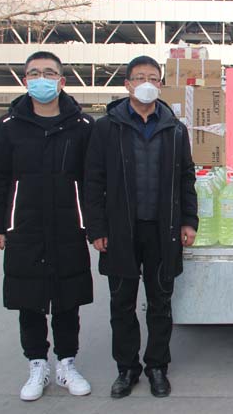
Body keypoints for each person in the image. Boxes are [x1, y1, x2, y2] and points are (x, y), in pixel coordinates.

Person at [84, 55, 198, 399]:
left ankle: (157, 366)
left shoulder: (174, 129)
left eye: (153, 78)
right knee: (122, 303)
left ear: (160, 85)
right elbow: (93, 181)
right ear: (127, 85)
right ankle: (127, 368)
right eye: (139, 77)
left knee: (160, 302)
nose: (146, 83)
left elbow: (186, 178)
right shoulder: (107, 127)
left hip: (162, 231)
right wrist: (97, 228)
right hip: (121, 231)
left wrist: (188, 221)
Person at [0, 51, 94, 401]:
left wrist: (94, 226)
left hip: (68, 225)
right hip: (25, 226)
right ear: (25, 81)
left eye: (49, 73)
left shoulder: (82, 125)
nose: (41, 78)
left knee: (67, 299)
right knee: (29, 299)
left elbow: (92, 180)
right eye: (34, 73)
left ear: (61, 81)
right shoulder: (8, 125)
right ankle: (37, 365)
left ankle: (66, 363)